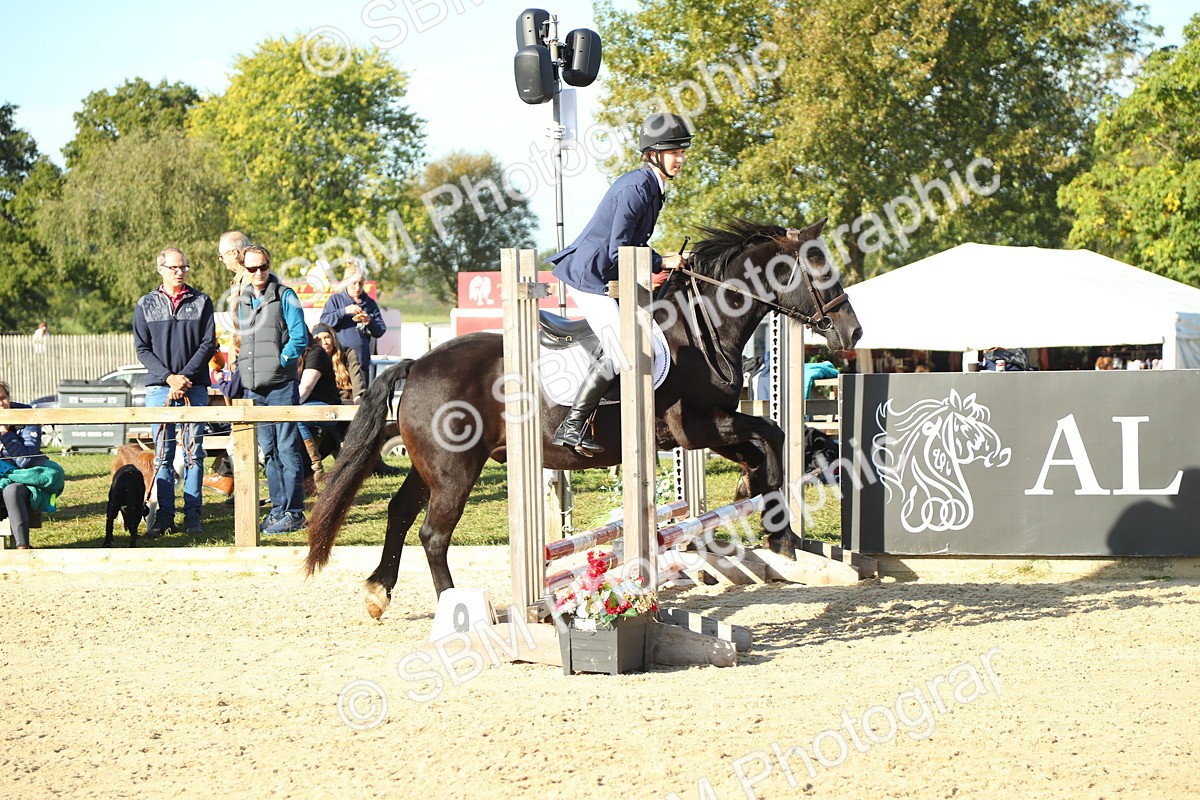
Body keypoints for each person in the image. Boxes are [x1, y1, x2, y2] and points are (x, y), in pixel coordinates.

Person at [544, 112, 691, 455]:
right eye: (674, 152)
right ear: (654, 153)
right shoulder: (637, 188)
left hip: (609, 275)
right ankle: (572, 425)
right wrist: (660, 261)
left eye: (682, 152)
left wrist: (659, 262)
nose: (680, 159)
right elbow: (619, 248)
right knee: (621, 348)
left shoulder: (653, 186)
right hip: (590, 277)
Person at [133, 248, 216, 536]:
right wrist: (169, 378)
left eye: (183, 267)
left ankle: (193, 516)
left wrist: (184, 377)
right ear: (161, 269)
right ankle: (164, 516)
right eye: (173, 267)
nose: (179, 272)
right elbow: (142, 349)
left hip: (195, 386)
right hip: (159, 388)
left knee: (195, 453)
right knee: (162, 455)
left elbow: (208, 344)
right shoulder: (145, 304)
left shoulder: (202, 301)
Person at [235, 244, 310, 534]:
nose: (258, 273)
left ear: (269, 265)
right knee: (269, 452)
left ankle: (294, 511)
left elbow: (300, 337)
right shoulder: (242, 300)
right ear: (244, 269)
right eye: (252, 268)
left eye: (263, 266)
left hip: (281, 385)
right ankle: (278, 508)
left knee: (288, 450)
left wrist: (282, 361)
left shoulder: (285, 295)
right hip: (255, 389)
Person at [0, 380, 63, 550]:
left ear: (9, 397)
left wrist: (5, 433)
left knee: (12, 490)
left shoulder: (26, 414)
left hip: (25, 481)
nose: (1, 404)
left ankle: (23, 549)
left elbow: (26, 461)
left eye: (3, 397)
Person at [319, 261, 386, 389]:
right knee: (341, 398)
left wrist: (369, 321)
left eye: (360, 283)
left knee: (361, 398)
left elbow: (381, 330)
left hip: (361, 362)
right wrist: (344, 311)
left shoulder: (369, 303)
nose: (357, 287)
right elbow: (324, 322)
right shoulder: (336, 300)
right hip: (340, 362)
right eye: (353, 283)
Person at [296, 323, 345, 483]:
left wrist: (287, 409)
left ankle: (316, 466)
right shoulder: (300, 355)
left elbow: (306, 388)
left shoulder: (316, 354)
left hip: (327, 407)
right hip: (309, 406)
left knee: (296, 418)